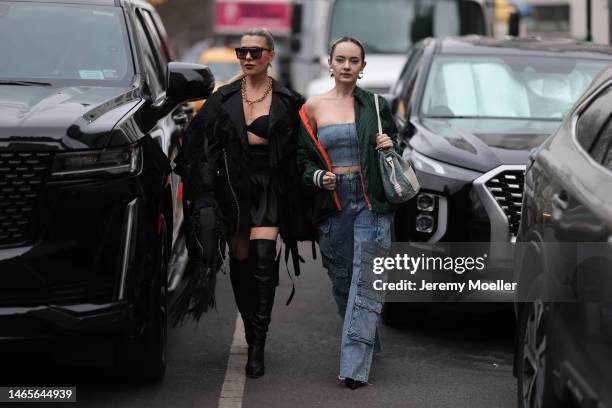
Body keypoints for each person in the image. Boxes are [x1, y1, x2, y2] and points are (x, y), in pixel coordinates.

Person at [177, 28, 305, 379]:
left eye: (255, 52)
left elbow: (304, 150)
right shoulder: (224, 98)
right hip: (233, 190)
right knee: (241, 263)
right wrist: (202, 191)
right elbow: (194, 143)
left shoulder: (287, 100)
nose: (247, 58)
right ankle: (250, 328)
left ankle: (258, 346)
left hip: (269, 189)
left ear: (270, 56)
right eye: (242, 52)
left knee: (264, 259)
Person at [297, 36, 400, 389]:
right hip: (334, 201)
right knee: (343, 281)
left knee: (366, 284)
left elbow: (395, 146)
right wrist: (316, 176)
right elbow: (302, 160)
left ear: (362, 67)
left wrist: (389, 144)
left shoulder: (375, 105)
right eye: (340, 59)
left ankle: (354, 368)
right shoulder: (312, 108)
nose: (346, 66)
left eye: (353, 60)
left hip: (371, 200)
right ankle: (369, 336)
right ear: (329, 63)